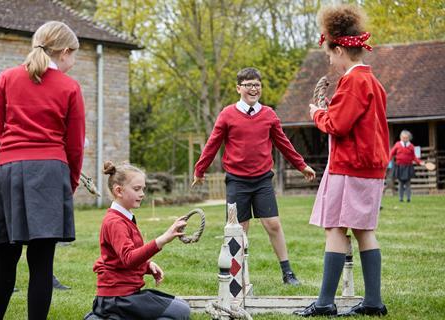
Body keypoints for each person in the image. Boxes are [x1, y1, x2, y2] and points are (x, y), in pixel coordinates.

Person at [0, 21, 85, 319]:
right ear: (63, 52)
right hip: (50, 173)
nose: (73, 63)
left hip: (9, 171)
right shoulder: (70, 87)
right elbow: (75, 146)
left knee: (4, 259)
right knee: (41, 264)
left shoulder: (7, 78)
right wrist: (70, 183)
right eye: (74, 55)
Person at [293, 5, 389, 317]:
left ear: (339, 49)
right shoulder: (373, 81)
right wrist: (329, 109)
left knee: (335, 229)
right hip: (369, 167)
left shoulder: (353, 81)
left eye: (330, 54)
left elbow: (338, 125)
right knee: (363, 230)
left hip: (349, 167)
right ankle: (373, 302)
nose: (330, 60)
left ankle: (324, 303)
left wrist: (317, 113)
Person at [192, 67, 316, 286]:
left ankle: (287, 273)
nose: (253, 88)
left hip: (262, 181)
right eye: (248, 85)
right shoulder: (227, 114)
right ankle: (236, 278)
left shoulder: (268, 114)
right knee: (239, 230)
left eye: (257, 85)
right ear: (238, 88)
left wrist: (301, 166)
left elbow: (283, 144)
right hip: (237, 181)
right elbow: (213, 144)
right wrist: (200, 170)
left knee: (273, 225)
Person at [84, 161, 191, 320]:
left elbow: (119, 259)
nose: (142, 194)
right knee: (180, 312)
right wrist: (162, 239)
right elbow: (128, 259)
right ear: (119, 190)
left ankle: (104, 316)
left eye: (143, 189)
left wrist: (147, 266)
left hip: (126, 295)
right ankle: (105, 314)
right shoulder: (115, 222)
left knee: (181, 307)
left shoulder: (124, 217)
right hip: (119, 298)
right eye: (137, 189)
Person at [389, 130, 424, 202]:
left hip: (408, 167)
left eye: (406, 138)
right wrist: (387, 160)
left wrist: (420, 162)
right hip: (399, 167)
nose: (404, 139)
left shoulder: (411, 146)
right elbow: (391, 153)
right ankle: (401, 199)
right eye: (403, 137)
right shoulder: (397, 145)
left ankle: (408, 198)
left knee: (408, 183)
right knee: (401, 183)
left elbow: (414, 157)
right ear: (400, 137)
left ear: (409, 138)